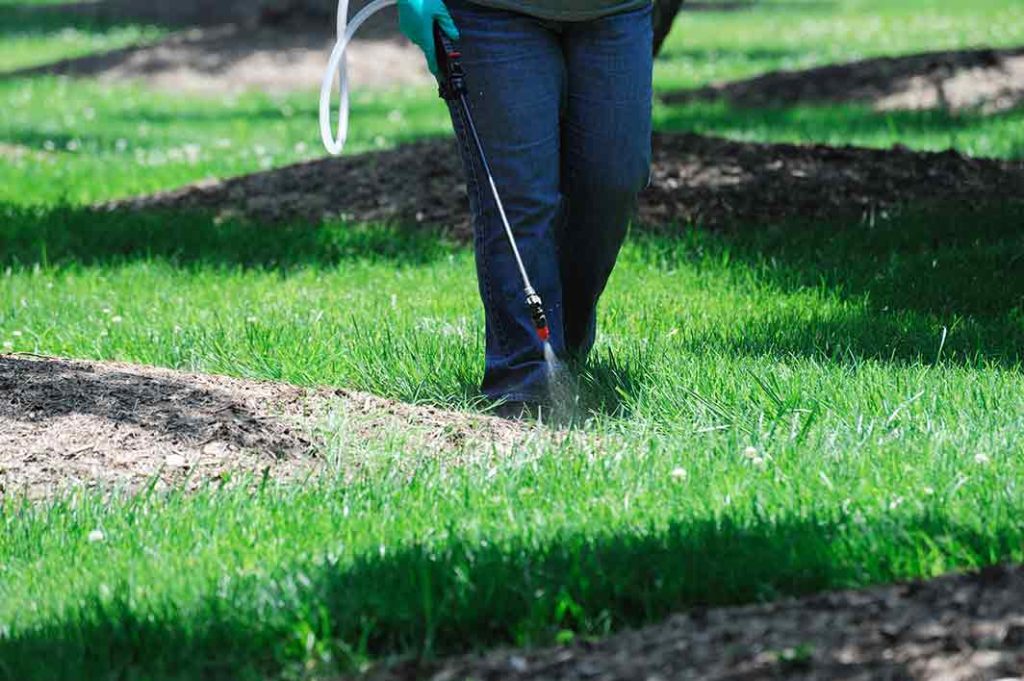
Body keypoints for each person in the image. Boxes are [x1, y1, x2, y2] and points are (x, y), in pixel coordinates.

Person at [398, 0, 653, 416]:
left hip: (616, 9)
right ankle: (525, 384)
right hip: (490, 12)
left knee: (613, 180)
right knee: (517, 198)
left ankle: (560, 343)